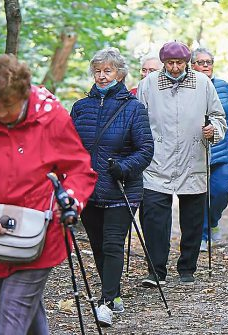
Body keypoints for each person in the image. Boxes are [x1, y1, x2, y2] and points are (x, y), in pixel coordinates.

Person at [0, 54, 97, 334]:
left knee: (13, 314)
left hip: (41, 233)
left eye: (8, 106)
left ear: (24, 93)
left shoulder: (51, 117)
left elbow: (80, 170)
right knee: (23, 311)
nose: (0, 113)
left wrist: (71, 201)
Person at [70, 47, 153, 327]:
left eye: (108, 71)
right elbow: (69, 147)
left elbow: (145, 150)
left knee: (113, 243)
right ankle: (114, 293)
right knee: (97, 246)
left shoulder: (134, 108)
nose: (102, 76)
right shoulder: (81, 108)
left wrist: (123, 167)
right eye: (98, 71)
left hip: (121, 188)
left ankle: (105, 303)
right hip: (88, 189)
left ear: (119, 74)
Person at [136, 41, 227, 286]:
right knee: (155, 219)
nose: (175, 68)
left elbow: (219, 117)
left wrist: (213, 130)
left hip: (193, 157)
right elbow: (138, 119)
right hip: (157, 160)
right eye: (170, 63)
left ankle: (187, 268)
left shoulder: (203, 83)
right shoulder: (148, 85)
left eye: (179, 63)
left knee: (193, 219)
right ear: (163, 62)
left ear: (187, 62)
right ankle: (156, 271)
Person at [191, 48, 228, 252]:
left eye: (209, 62)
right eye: (201, 62)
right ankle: (203, 236)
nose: (206, 65)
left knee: (220, 191)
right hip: (196, 151)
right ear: (192, 66)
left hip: (224, 150)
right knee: (198, 196)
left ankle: (213, 221)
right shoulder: (188, 89)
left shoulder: (223, 87)